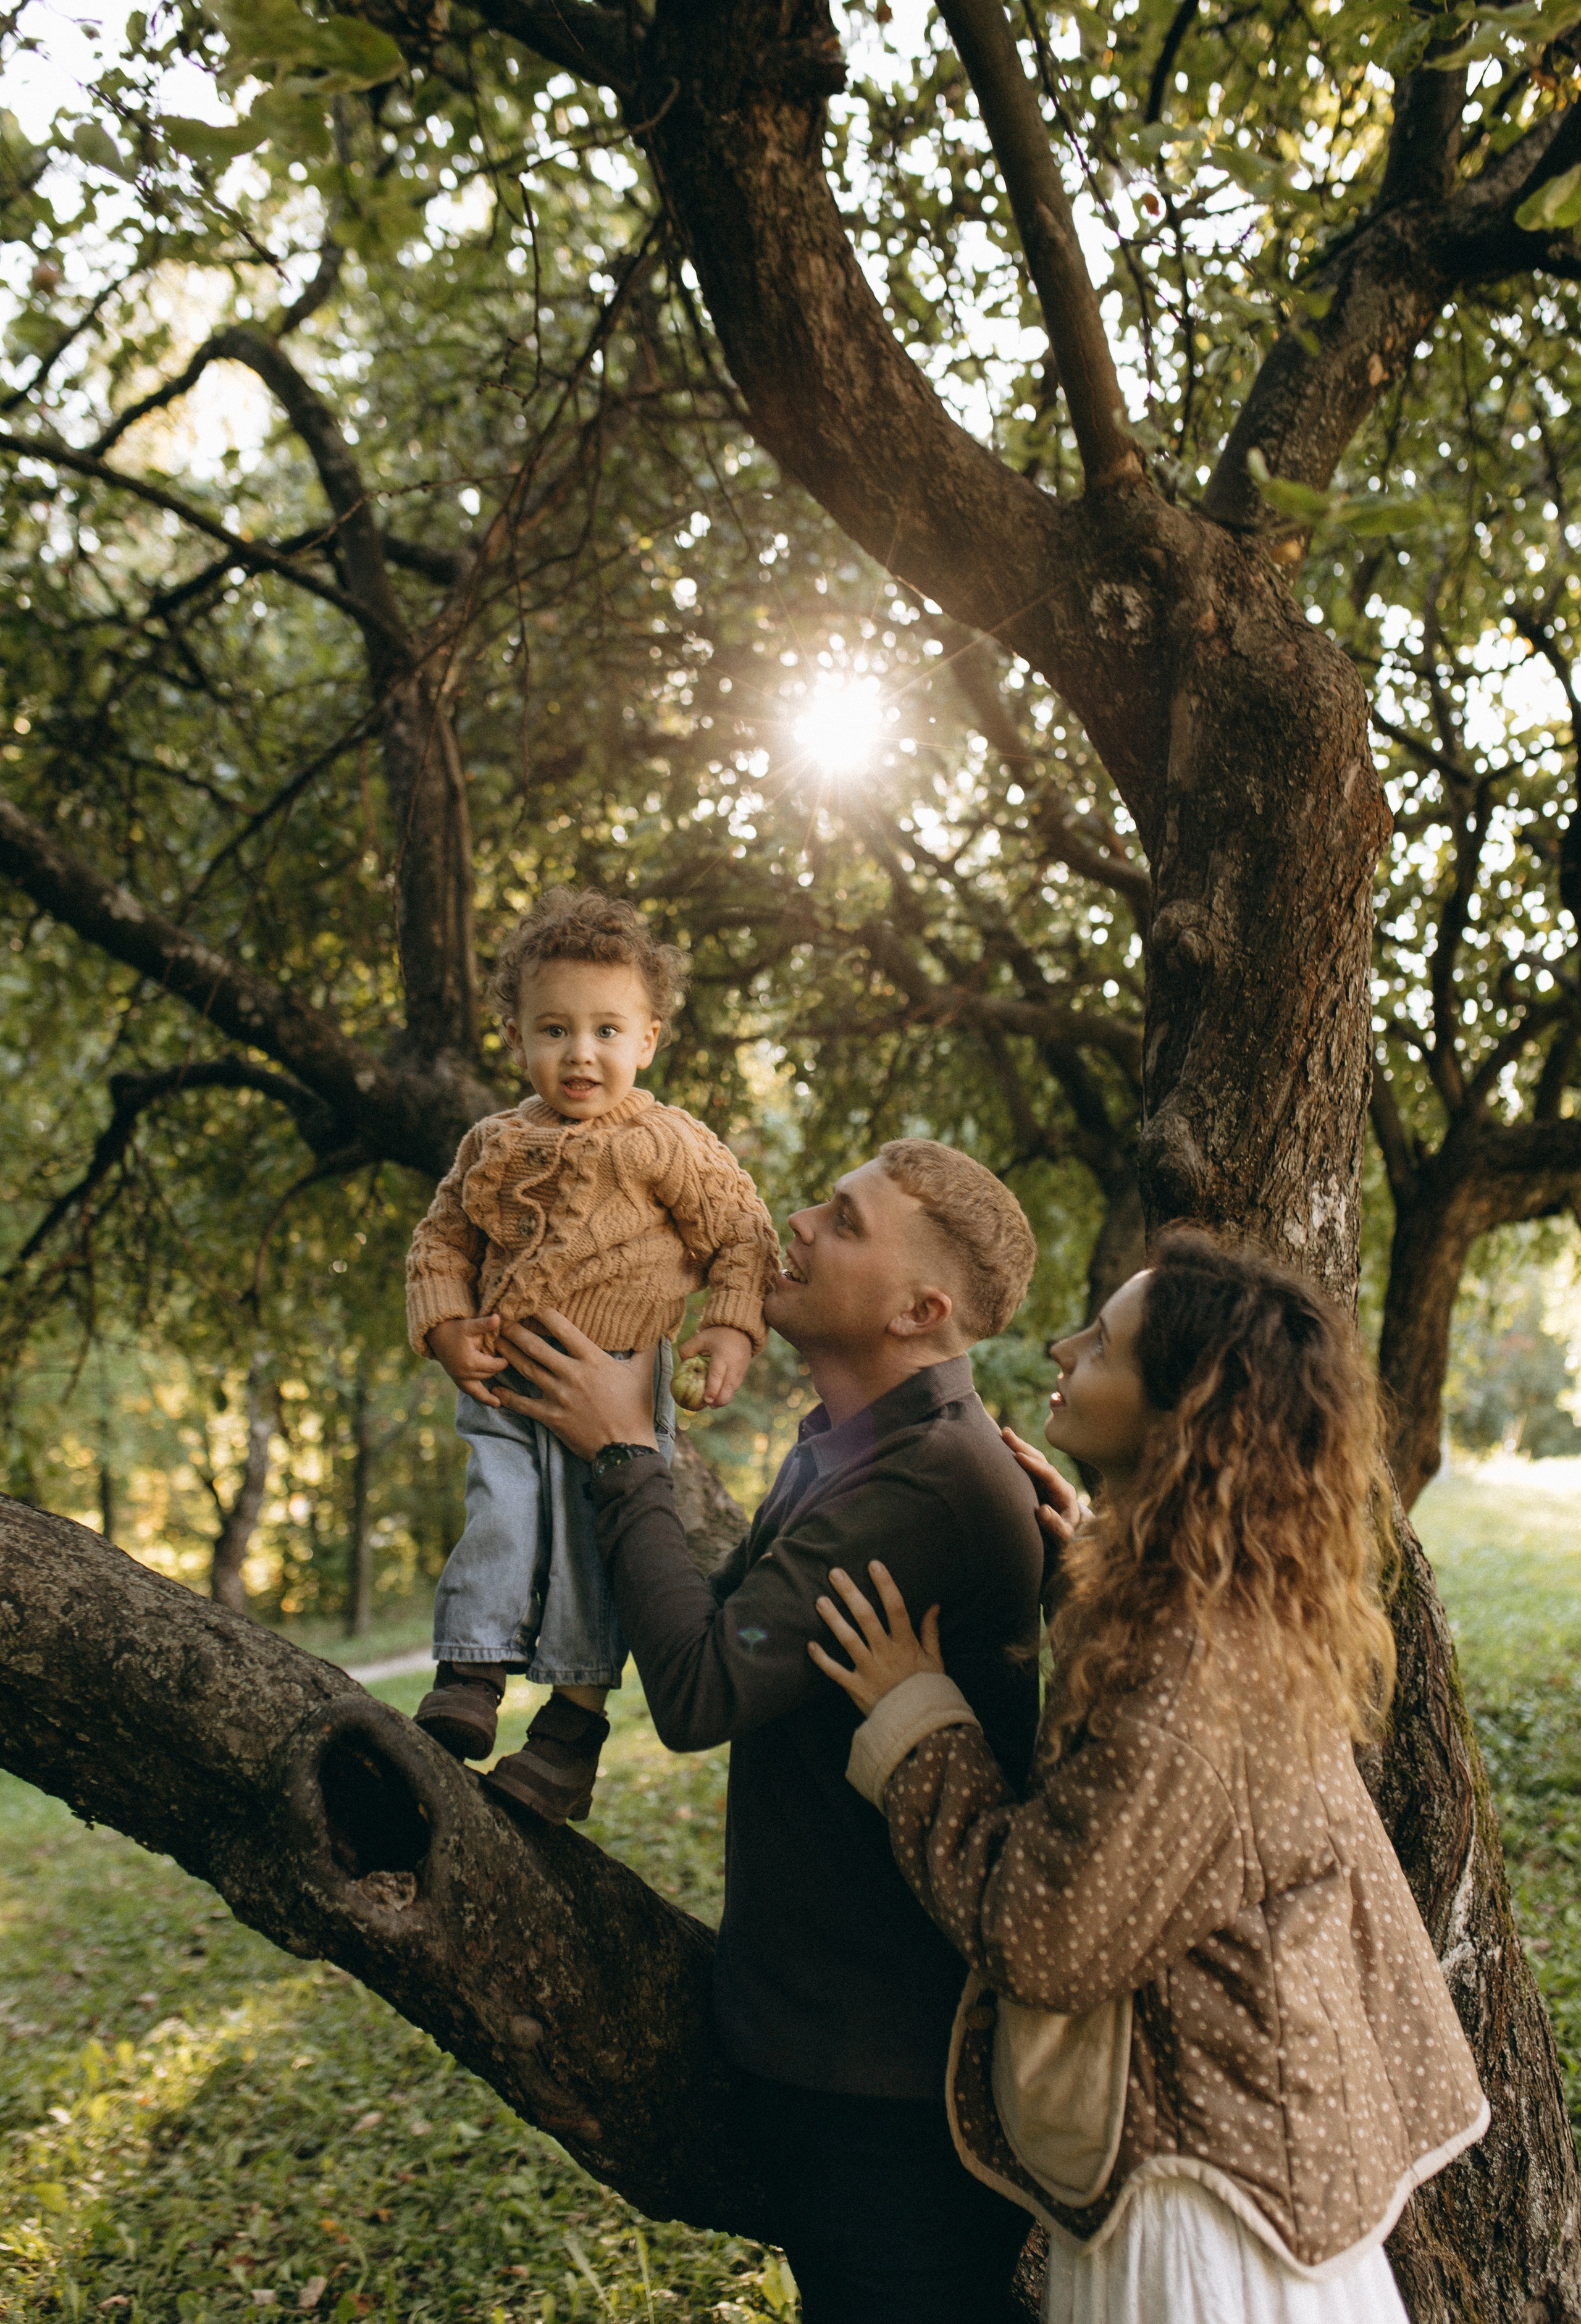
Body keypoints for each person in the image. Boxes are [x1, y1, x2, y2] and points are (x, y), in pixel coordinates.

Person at [809, 1227, 1490, 2324]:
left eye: (1104, 1345)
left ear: (1186, 1423)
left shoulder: (1189, 1669)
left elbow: (1046, 1933)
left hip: (1205, 2219)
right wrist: (1088, 1559)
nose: (1062, 1349)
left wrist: (917, 1722)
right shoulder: (1217, 1607)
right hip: (1231, 2157)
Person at [489, 1139, 1052, 2324]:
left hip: (888, 2094)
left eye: (844, 1221)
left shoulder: (932, 1482)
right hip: (822, 2051)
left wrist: (625, 1454)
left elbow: (700, 1690)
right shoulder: (856, 1444)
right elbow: (729, 1624)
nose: (793, 1222)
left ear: (920, 1310)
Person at [404, 887, 780, 1823]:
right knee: (500, 1510)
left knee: (589, 1548)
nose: (581, 1052)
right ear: (516, 1039)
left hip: (620, 1378)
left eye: (607, 1030)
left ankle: (570, 1736)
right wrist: (446, 1327)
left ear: (647, 1040)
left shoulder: (667, 1142)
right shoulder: (493, 1144)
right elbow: (440, 1242)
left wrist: (731, 1326)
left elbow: (744, 1234)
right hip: (505, 1372)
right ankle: (471, 1674)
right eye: (555, 1030)